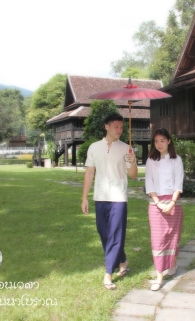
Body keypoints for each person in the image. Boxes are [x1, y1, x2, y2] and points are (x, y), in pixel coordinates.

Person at [81, 113, 138, 290]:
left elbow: (133, 175)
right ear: (106, 127)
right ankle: (122, 260)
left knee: (115, 234)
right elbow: (90, 173)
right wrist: (84, 197)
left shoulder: (126, 149)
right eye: (116, 127)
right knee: (103, 232)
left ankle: (108, 274)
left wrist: (133, 161)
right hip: (100, 196)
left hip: (118, 197)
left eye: (121, 127)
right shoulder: (94, 147)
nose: (119, 130)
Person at [144, 128, 184, 291]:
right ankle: (159, 275)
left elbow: (178, 184)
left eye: (162, 140)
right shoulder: (151, 160)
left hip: (174, 203)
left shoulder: (176, 160)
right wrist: (158, 203)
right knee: (158, 239)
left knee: (172, 237)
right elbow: (149, 183)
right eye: (156, 141)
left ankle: (172, 264)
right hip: (155, 204)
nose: (159, 144)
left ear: (169, 141)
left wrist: (172, 203)